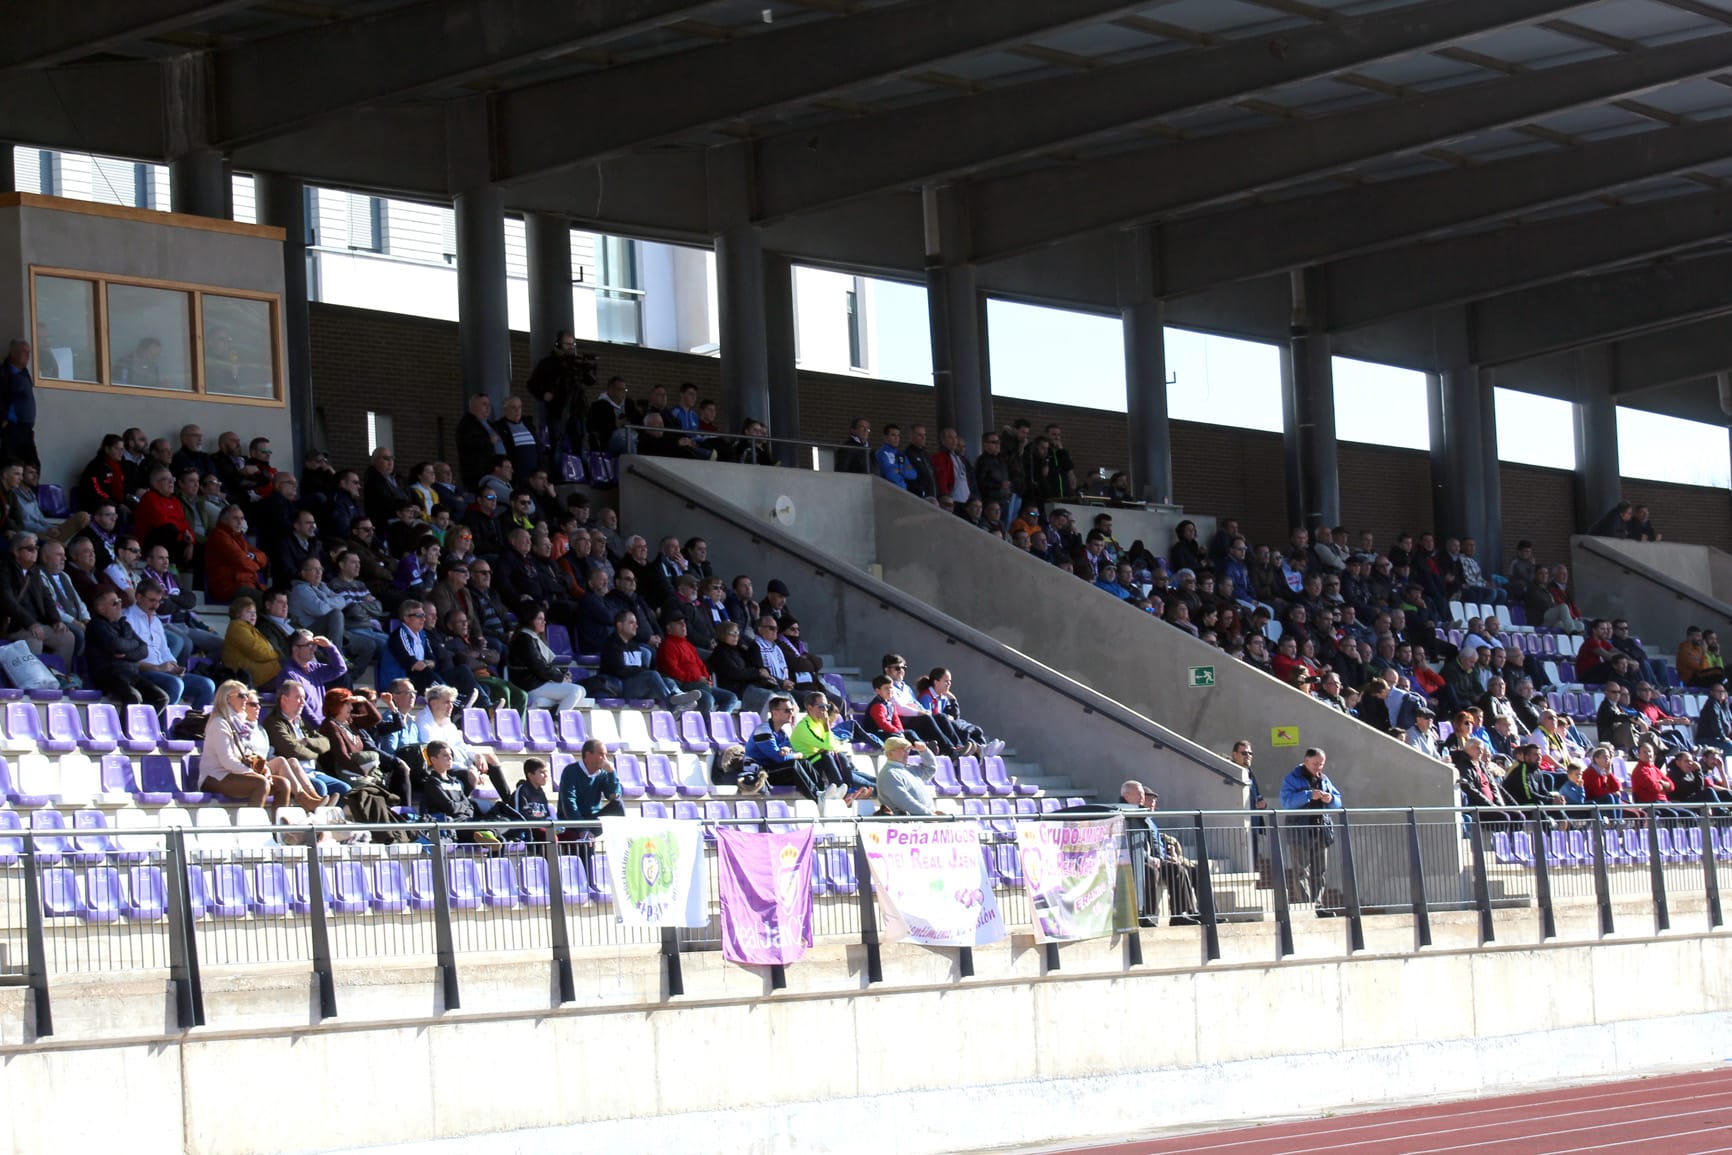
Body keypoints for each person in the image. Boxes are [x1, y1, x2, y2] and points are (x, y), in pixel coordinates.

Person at [197, 681, 297, 809]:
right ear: (227, 699)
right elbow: (227, 761)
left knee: (283, 784)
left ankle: (280, 828)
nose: (246, 699)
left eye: (246, 695)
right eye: (241, 695)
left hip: (235, 774)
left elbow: (247, 753)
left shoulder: (240, 723)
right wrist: (253, 773)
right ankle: (252, 827)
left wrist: (263, 769)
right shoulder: (219, 723)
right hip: (215, 776)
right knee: (261, 783)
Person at [126, 579, 216, 708]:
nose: (156, 606)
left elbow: (165, 652)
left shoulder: (156, 620)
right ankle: (162, 726)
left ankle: (191, 726)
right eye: (152, 600)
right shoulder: (128, 619)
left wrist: (174, 666)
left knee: (207, 685)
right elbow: (129, 661)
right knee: (175, 684)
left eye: (159, 601)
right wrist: (157, 668)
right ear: (138, 597)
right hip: (143, 673)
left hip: (162, 672)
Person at [261, 680, 353, 806]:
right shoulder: (274, 723)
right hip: (295, 775)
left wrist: (305, 741)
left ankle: (331, 819)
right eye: (298, 698)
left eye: (304, 698)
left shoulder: (301, 722)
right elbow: (292, 749)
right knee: (320, 788)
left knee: (344, 789)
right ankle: (317, 821)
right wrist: (315, 754)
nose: (303, 703)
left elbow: (326, 742)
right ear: (284, 699)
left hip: (313, 771)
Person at [1120, 781, 1199, 925]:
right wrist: (1147, 858)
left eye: (1144, 795)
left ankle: (1180, 914)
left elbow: (1153, 842)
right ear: (1126, 795)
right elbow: (1126, 844)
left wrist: (1165, 856)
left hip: (1154, 859)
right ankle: (1145, 915)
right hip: (1132, 861)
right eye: (1140, 794)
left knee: (1178, 869)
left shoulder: (1143, 816)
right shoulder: (1122, 816)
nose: (1142, 798)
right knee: (1150, 872)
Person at [599, 609, 701, 709]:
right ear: (620, 625)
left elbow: (641, 670)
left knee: (667, 680)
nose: (636, 626)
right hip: (622, 688)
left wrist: (642, 671)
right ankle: (672, 706)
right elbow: (619, 671)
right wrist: (641, 670)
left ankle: (680, 696)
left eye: (636, 623)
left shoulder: (635, 646)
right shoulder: (611, 646)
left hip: (639, 686)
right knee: (652, 675)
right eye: (631, 623)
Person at [0, 533, 76, 666]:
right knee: (34, 638)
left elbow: (47, 598)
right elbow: (8, 602)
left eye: (36, 548)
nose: (35, 551)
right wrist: (30, 623)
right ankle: (35, 681)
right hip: (15, 627)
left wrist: (56, 620)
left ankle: (61, 677)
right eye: (30, 548)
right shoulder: (4, 570)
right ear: (16, 552)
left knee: (67, 637)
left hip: (36, 624)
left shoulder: (35, 571)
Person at [1279, 748, 1341, 906]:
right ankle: (1306, 905)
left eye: (1321, 764)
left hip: (1321, 829)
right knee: (1301, 870)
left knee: (1320, 871)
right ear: (1306, 761)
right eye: (1315, 763)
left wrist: (1331, 799)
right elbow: (1287, 803)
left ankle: (1318, 904)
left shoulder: (1324, 779)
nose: (1318, 767)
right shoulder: (1292, 778)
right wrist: (1308, 795)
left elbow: (1338, 802)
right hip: (1300, 830)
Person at [87, 587, 166, 708]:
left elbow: (144, 649)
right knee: (133, 698)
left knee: (161, 698)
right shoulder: (96, 625)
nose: (120, 605)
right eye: (115, 603)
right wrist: (133, 643)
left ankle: (148, 726)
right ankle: (125, 727)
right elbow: (117, 646)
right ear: (101, 608)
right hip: (109, 675)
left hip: (130, 674)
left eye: (120, 601)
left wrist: (127, 654)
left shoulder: (124, 624)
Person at [789, 690, 870, 803]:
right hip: (807, 765)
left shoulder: (818, 723)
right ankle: (841, 787)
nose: (825, 710)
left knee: (839, 755)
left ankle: (849, 789)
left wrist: (827, 737)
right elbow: (829, 746)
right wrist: (827, 726)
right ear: (810, 708)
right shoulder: (804, 726)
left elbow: (835, 746)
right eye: (821, 706)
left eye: (826, 706)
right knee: (826, 754)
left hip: (818, 759)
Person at [415, 740, 499, 844]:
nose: (450, 758)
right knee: (482, 832)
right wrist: (463, 806)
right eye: (445, 755)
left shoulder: (455, 782)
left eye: (450, 755)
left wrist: (463, 807)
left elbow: (469, 806)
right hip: (452, 825)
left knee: (501, 835)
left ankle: (490, 840)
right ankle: (485, 834)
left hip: (468, 820)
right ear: (433, 759)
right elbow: (450, 807)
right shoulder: (432, 783)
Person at [652, 610, 735, 713]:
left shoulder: (688, 645)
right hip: (685, 686)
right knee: (708, 698)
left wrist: (708, 680)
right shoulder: (667, 645)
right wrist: (697, 678)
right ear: (669, 628)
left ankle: (719, 725)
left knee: (731, 698)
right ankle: (707, 727)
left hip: (701, 684)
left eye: (684, 623)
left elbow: (701, 666)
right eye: (679, 623)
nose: (683, 625)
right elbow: (673, 671)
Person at [507, 607, 587, 713]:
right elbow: (539, 666)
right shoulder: (525, 638)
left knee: (582, 690)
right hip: (530, 685)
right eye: (539, 619)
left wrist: (562, 674)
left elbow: (544, 664)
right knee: (576, 691)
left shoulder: (531, 637)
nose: (543, 622)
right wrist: (560, 678)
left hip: (539, 683)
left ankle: (555, 717)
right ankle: (557, 721)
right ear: (530, 620)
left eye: (544, 619)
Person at [741, 694, 821, 799]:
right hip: (760, 774)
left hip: (773, 770)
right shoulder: (763, 731)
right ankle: (816, 796)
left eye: (792, 710)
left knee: (804, 762)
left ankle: (822, 791)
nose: (791, 713)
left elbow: (791, 751)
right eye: (787, 710)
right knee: (794, 763)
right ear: (774, 712)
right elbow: (778, 758)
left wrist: (790, 750)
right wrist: (797, 755)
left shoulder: (782, 734)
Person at [278, 629, 349, 725]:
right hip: (308, 728)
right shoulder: (289, 673)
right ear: (295, 649)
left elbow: (340, 668)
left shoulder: (314, 668)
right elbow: (302, 708)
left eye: (314, 645)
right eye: (309, 645)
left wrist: (329, 647)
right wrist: (320, 726)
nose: (314, 649)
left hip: (323, 724)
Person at [205, 504, 269, 604]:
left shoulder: (239, 537)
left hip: (248, 584)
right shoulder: (219, 535)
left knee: (280, 598)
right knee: (270, 602)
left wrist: (252, 557)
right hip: (230, 587)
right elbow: (241, 560)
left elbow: (263, 557)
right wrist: (256, 564)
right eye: (235, 518)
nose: (240, 522)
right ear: (223, 520)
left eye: (242, 518)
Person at [222, 596, 282, 688]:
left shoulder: (250, 629)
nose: (253, 615)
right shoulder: (237, 627)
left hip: (268, 675)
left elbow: (265, 648)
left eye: (254, 612)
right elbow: (258, 651)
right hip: (257, 679)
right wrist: (276, 654)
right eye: (248, 612)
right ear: (238, 614)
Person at [875, 735, 935, 816]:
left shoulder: (908, 769)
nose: (907, 753)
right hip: (909, 823)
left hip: (922, 819)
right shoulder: (889, 774)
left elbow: (930, 770)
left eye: (907, 749)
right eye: (902, 750)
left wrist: (924, 751)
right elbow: (905, 802)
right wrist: (931, 814)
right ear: (889, 753)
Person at [0, 339, 38, 467]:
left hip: (26, 430)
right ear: (13, 353)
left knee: (32, 466)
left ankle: (27, 488)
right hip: (13, 428)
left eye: (29, 352)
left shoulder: (24, 373)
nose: (28, 355)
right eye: (24, 352)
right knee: (12, 466)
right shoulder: (4, 374)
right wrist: (3, 420)